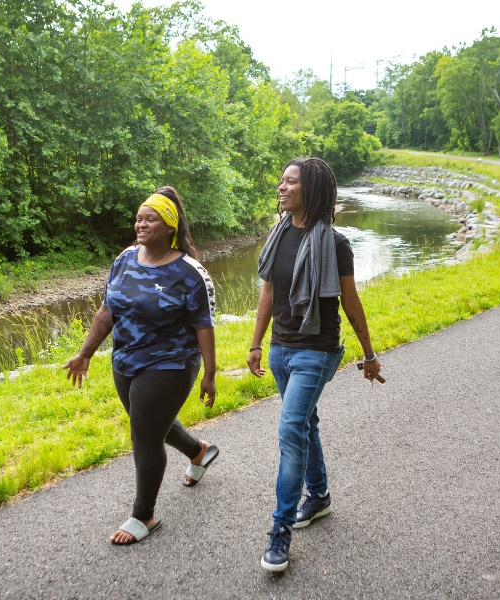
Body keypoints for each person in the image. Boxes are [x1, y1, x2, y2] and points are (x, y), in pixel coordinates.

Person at [248, 157, 384, 572]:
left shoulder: (336, 244)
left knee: (290, 432)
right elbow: (270, 289)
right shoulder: (278, 234)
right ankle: (320, 495)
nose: (282, 187)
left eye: (291, 182)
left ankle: (280, 531)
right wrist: (255, 344)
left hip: (317, 351)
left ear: (312, 189)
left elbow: (350, 300)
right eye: (282, 181)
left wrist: (369, 352)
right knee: (305, 424)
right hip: (280, 349)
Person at [62, 187, 220, 546]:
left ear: (170, 226)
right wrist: (86, 353)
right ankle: (199, 451)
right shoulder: (125, 259)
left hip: (171, 362)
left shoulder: (190, 272)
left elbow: (204, 326)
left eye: (150, 219)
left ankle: (144, 515)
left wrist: (210, 373)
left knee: (144, 436)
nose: (141, 224)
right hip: (126, 358)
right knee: (149, 424)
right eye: (138, 218)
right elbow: (108, 309)